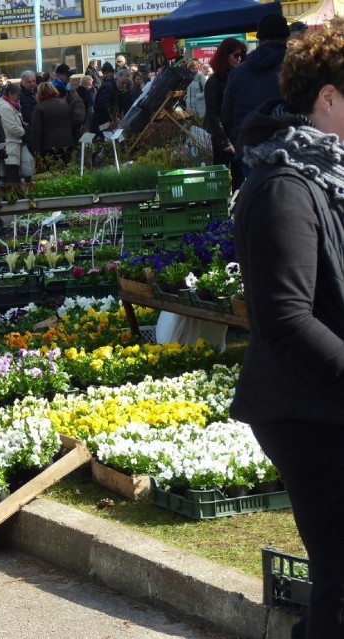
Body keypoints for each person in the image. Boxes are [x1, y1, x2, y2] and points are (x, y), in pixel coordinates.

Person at [230, 18, 344, 639]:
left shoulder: (335, 174)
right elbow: (286, 320)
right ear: (328, 97)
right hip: (311, 414)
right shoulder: (284, 184)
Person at [222, 13, 289, 172]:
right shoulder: (296, 68)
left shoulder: (238, 73)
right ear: (286, 38)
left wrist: (241, 140)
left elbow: (226, 115)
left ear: (259, 39)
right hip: (289, 150)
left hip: (250, 152)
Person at [203, 37, 247, 191]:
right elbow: (213, 113)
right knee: (219, 180)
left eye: (241, 55)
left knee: (240, 180)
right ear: (225, 56)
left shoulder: (240, 78)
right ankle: (220, 211)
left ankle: (237, 210)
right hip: (223, 136)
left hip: (239, 135)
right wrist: (224, 141)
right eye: (236, 55)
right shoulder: (214, 82)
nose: (239, 59)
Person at [31, 81, 85, 168]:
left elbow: (36, 130)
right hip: (66, 142)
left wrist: (36, 148)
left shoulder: (39, 108)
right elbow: (71, 120)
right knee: (66, 168)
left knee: (51, 170)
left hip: (48, 145)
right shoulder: (63, 103)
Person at [0, 82, 27, 183]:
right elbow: (12, 127)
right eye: (17, 95)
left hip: (11, 146)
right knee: (12, 178)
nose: (18, 98)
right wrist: (24, 131)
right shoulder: (5, 107)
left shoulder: (8, 105)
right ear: (10, 94)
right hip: (10, 146)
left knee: (12, 176)